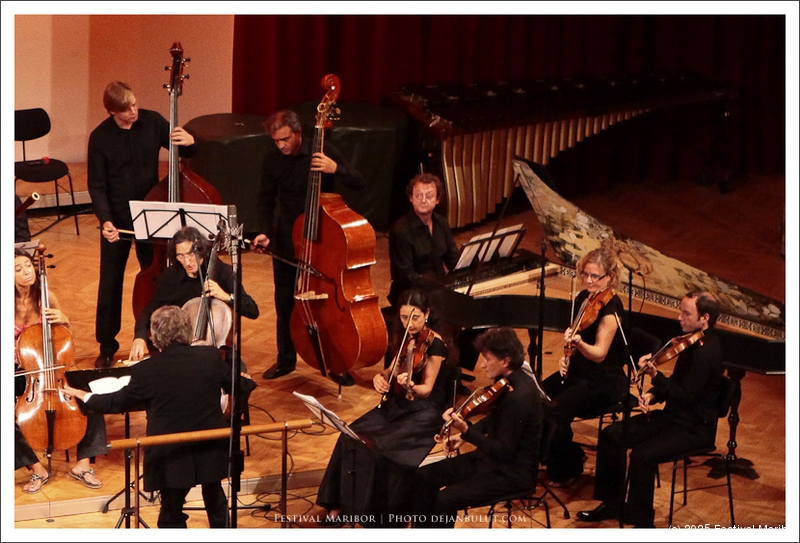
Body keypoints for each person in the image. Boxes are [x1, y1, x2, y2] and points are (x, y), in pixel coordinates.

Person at [64, 305, 255, 528]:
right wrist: (243, 387)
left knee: (171, 513)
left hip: (171, 454)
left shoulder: (146, 370)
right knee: (216, 503)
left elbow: (116, 403)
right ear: (187, 330)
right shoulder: (209, 357)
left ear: (154, 337)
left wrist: (85, 396)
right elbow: (241, 385)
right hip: (210, 448)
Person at [577, 291, 724, 528]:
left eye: (687, 314)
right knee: (611, 435)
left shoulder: (705, 353)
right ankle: (612, 505)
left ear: (705, 318)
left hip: (694, 427)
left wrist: (656, 376)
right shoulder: (693, 340)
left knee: (642, 456)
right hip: (673, 417)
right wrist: (653, 394)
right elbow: (678, 382)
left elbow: (685, 396)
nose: (679, 317)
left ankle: (643, 523)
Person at [314, 289, 453, 527]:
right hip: (399, 405)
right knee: (350, 435)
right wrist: (380, 378)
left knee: (380, 450)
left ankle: (375, 514)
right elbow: (391, 370)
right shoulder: (406, 338)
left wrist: (411, 385)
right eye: (404, 317)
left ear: (427, 314)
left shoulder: (435, 345)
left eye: (415, 317)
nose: (409, 323)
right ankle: (339, 504)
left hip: (425, 411)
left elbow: (427, 389)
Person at [88, 80, 198, 368]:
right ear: (112, 111)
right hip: (118, 220)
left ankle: (155, 336)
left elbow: (182, 149)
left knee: (156, 278)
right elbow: (96, 185)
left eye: (135, 104)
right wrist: (105, 220)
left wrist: (190, 142)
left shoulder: (152, 122)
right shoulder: (100, 138)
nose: (134, 111)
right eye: (126, 109)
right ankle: (107, 346)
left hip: (151, 216)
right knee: (110, 282)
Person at [251, 109, 365, 385]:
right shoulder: (272, 159)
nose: (281, 145)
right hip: (287, 237)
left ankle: (335, 363)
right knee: (284, 301)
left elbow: (360, 182)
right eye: (276, 141)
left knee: (326, 305)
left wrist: (336, 169)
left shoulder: (323, 151)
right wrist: (264, 231)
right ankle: (286, 359)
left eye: (285, 139)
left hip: (323, 239)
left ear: (299, 133)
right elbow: (265, 199)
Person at [411, 327, 542, 528]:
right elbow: (493, 419)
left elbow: (504, 451)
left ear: (505, 360)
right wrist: (464, 437)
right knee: (423, 477)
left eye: (487, 359)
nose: (482, 365)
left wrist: (467, 431)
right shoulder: (506, 381)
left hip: (511, 474)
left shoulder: (519, 397)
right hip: (489, 461)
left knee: (445, 500)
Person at [14, 248, 106, 494]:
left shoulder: (47, 297)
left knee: (92, 399)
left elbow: (66, 337)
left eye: (28, 266)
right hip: (19, 371)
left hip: (53, 369)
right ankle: (37, 469)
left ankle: (83, 465)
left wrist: (65, 319)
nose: (26, 272)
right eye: (18, 269)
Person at [540, 247, 627, 487]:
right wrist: (566, 358)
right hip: (579, 373)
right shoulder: (583, 299)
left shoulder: (611, 309)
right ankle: (562, 454)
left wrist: (579, 343)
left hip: (603, 381)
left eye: (595, 276)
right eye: (585, 275)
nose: (588, 280)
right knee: (536, 397)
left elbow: (599, 354)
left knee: (555, 413)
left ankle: (568, 466)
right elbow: (574, 344)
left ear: (609, 277)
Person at [129, 225, 259, 362]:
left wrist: (226, 297)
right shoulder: (171, 276)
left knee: (238, 371)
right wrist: (140, 337)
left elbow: (252, 310)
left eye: (191, 254)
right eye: (181, 256)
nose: (187, 262)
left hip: (217, 353)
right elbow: (149, 311)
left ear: (201, 250)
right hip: (182, 349)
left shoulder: (223, 272)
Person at [387, 172, 459, 307]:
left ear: (437, 199)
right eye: (418, 195)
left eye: (429, 196)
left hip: (439, 287)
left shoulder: (441, 223)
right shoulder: (401, 230)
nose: (423, 200)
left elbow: (453, 259)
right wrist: (437, 287)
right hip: (411, 294)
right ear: (411, 198)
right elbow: (405, 275)